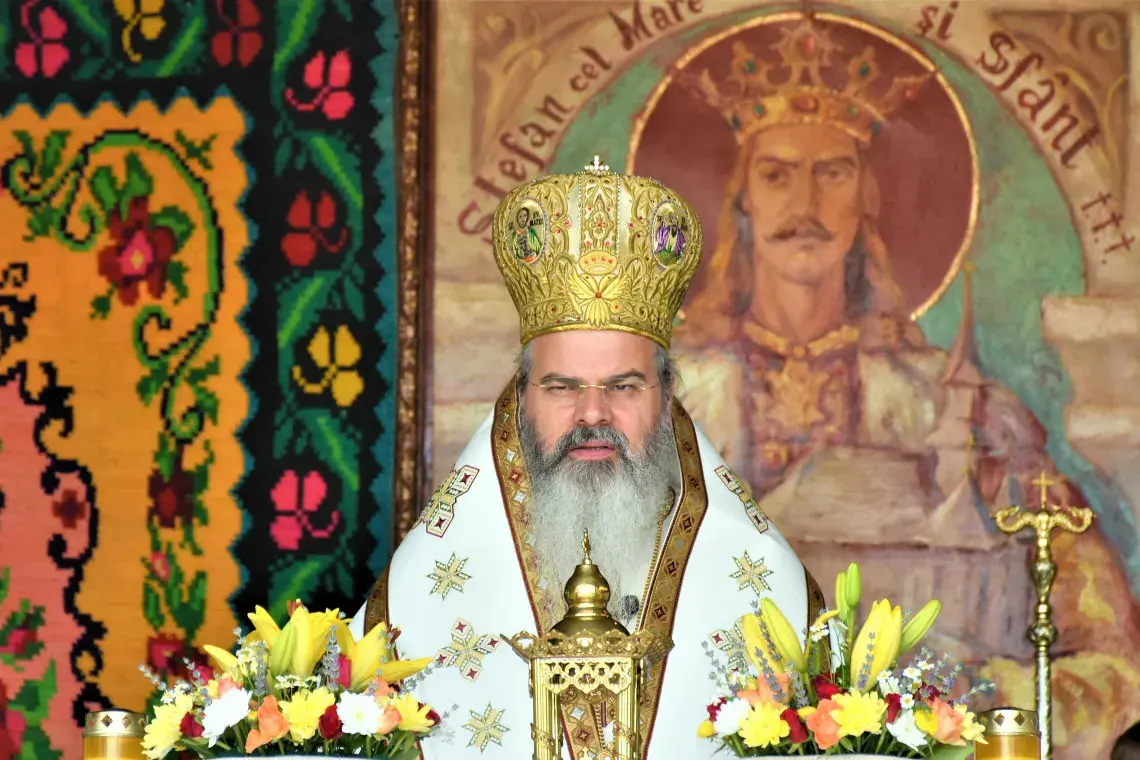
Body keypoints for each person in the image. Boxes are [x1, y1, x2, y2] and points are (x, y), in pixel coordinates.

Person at [675, 15, 1140, 757]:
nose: (805, 203)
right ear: (743, 200)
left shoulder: (958, 408)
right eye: (777, 174)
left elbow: (1110, 655)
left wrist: (965, 701)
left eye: (833, 172)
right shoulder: (671, 407)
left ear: (867, 198)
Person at [350, 158, 822, 758]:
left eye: (623, 386)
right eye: (561, 387)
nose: (592, 413)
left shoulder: (763, 582)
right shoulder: (423, 590)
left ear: (667, 397)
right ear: (521, 398)